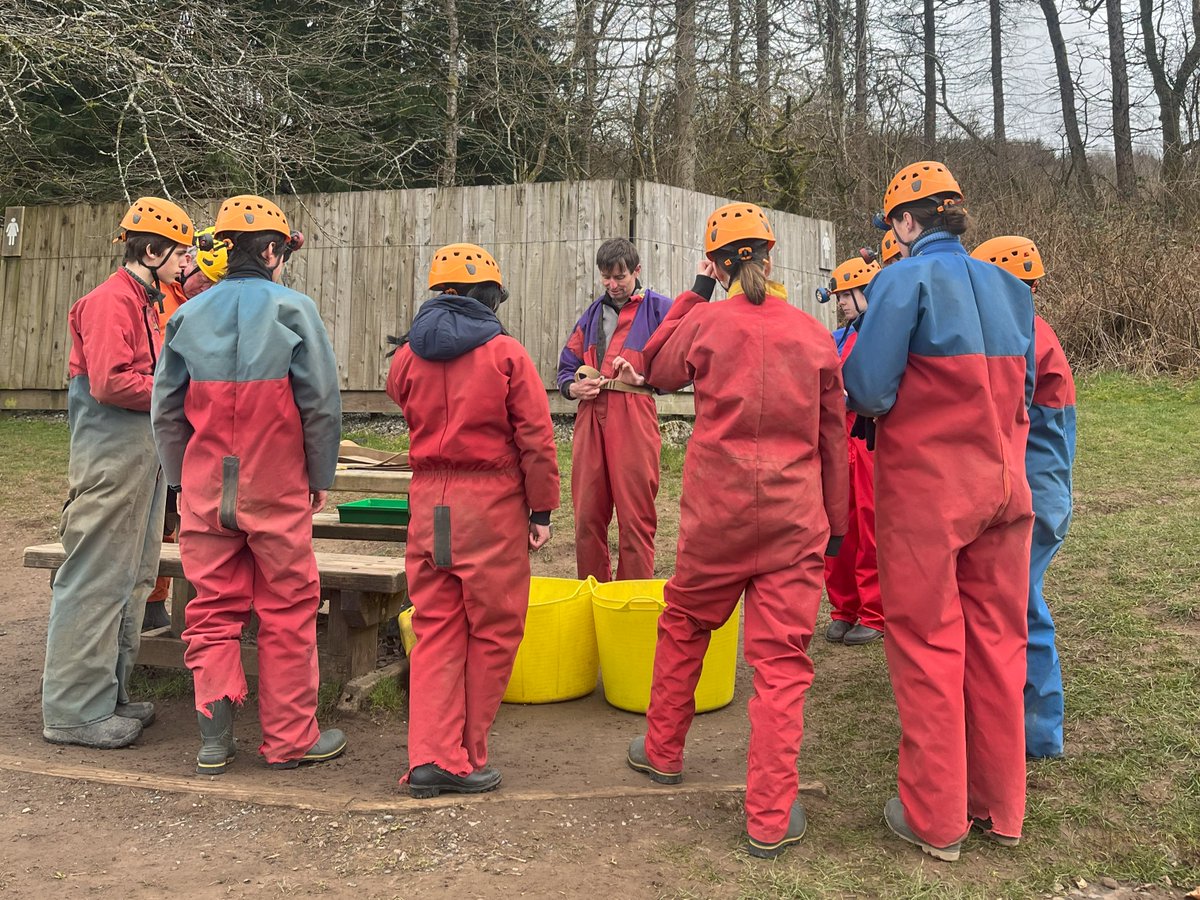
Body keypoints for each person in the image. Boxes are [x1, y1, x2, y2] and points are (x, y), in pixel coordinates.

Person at [617, 203, 848, 859]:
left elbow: (652, 364)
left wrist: (695, 292)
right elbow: (833, 440)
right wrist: (836, 524)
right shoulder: (813, 335)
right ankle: (770, 818)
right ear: (771, 259)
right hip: (793, 519)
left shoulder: (709, 320)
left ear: (719, 265)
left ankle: (662, 751)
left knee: (686, 623)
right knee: (781, 668)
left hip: (717, 516)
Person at [843, 162, 1036, 861]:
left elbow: (866, 387)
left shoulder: (900, 279)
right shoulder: (1014, 287)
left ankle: (936, 821)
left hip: (930, 494)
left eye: (892, 226)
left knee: (927, 646)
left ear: (904, 221)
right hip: (1008, 490)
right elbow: (1031, 389)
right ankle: (1001, 809)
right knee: (998, 645)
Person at [152, 194, 345, 774]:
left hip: (206, 488)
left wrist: (180, 477)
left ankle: (214, 741)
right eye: (283, 251)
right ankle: (290, 740)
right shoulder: (295, 310)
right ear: (268, 250)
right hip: (275, 485)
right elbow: (322, 404)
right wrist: (319, 474)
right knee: (288, 606)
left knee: (210, 610)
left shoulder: (186, 315)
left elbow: (166, 410)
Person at [387, 243, 559, 798]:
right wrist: (541, 509)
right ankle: (466, 755)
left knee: (435, 627)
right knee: (494, 629)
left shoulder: (406, 356)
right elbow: (536, 438)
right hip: (489, 506)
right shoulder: (506, 353)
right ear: (488, 295)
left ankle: (429, 756)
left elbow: (401, 397)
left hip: (428, 503)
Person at [42, 197, 194, 749]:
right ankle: (73, 711)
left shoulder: (146, 299)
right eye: (179, 252)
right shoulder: (111, 302)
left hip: (141, 451)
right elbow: (110, 384)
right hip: (112, 453)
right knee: (96, 579)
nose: (187, 263)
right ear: (150, 250)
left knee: (133, 576)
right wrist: (181, 393)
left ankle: (110, 696)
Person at [972, 235, 1076, 759]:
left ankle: (1037, 731)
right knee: (1020, 600)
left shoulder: (1021, 335)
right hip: (1048, 489)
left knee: (1022, 605)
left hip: (1035, 493)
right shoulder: (1035, 329)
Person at [556, 239, 673, 582]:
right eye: (606, 277)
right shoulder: (591, 315)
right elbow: (566, 366)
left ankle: (631, 603)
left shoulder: (659, 310)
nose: (612, 284)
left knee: (636, 517)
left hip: (634, 413)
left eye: (619, 276)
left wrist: (646, 378)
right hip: (590, 415)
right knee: (587, 515)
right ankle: (593, 598)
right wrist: (572, 388)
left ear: (637, 271)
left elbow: (685, 363)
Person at [143, 225, 229, 633]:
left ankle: (193, 607)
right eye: (205, 278)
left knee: (189, 522)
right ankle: (153, 602)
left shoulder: (205, 306)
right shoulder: (164, 302)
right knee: (160, 517)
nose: (208, 286)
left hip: (195, 428)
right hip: (157, 423)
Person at [816, 255, 884, 645]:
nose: (841, 302)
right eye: (839, 295)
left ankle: (874, 611)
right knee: (837, 528)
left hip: (866, 440)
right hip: (836, 442)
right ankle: (843, 607)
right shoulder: (836, 338)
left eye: (848, 294)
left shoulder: (881, 338)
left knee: (869, 527)